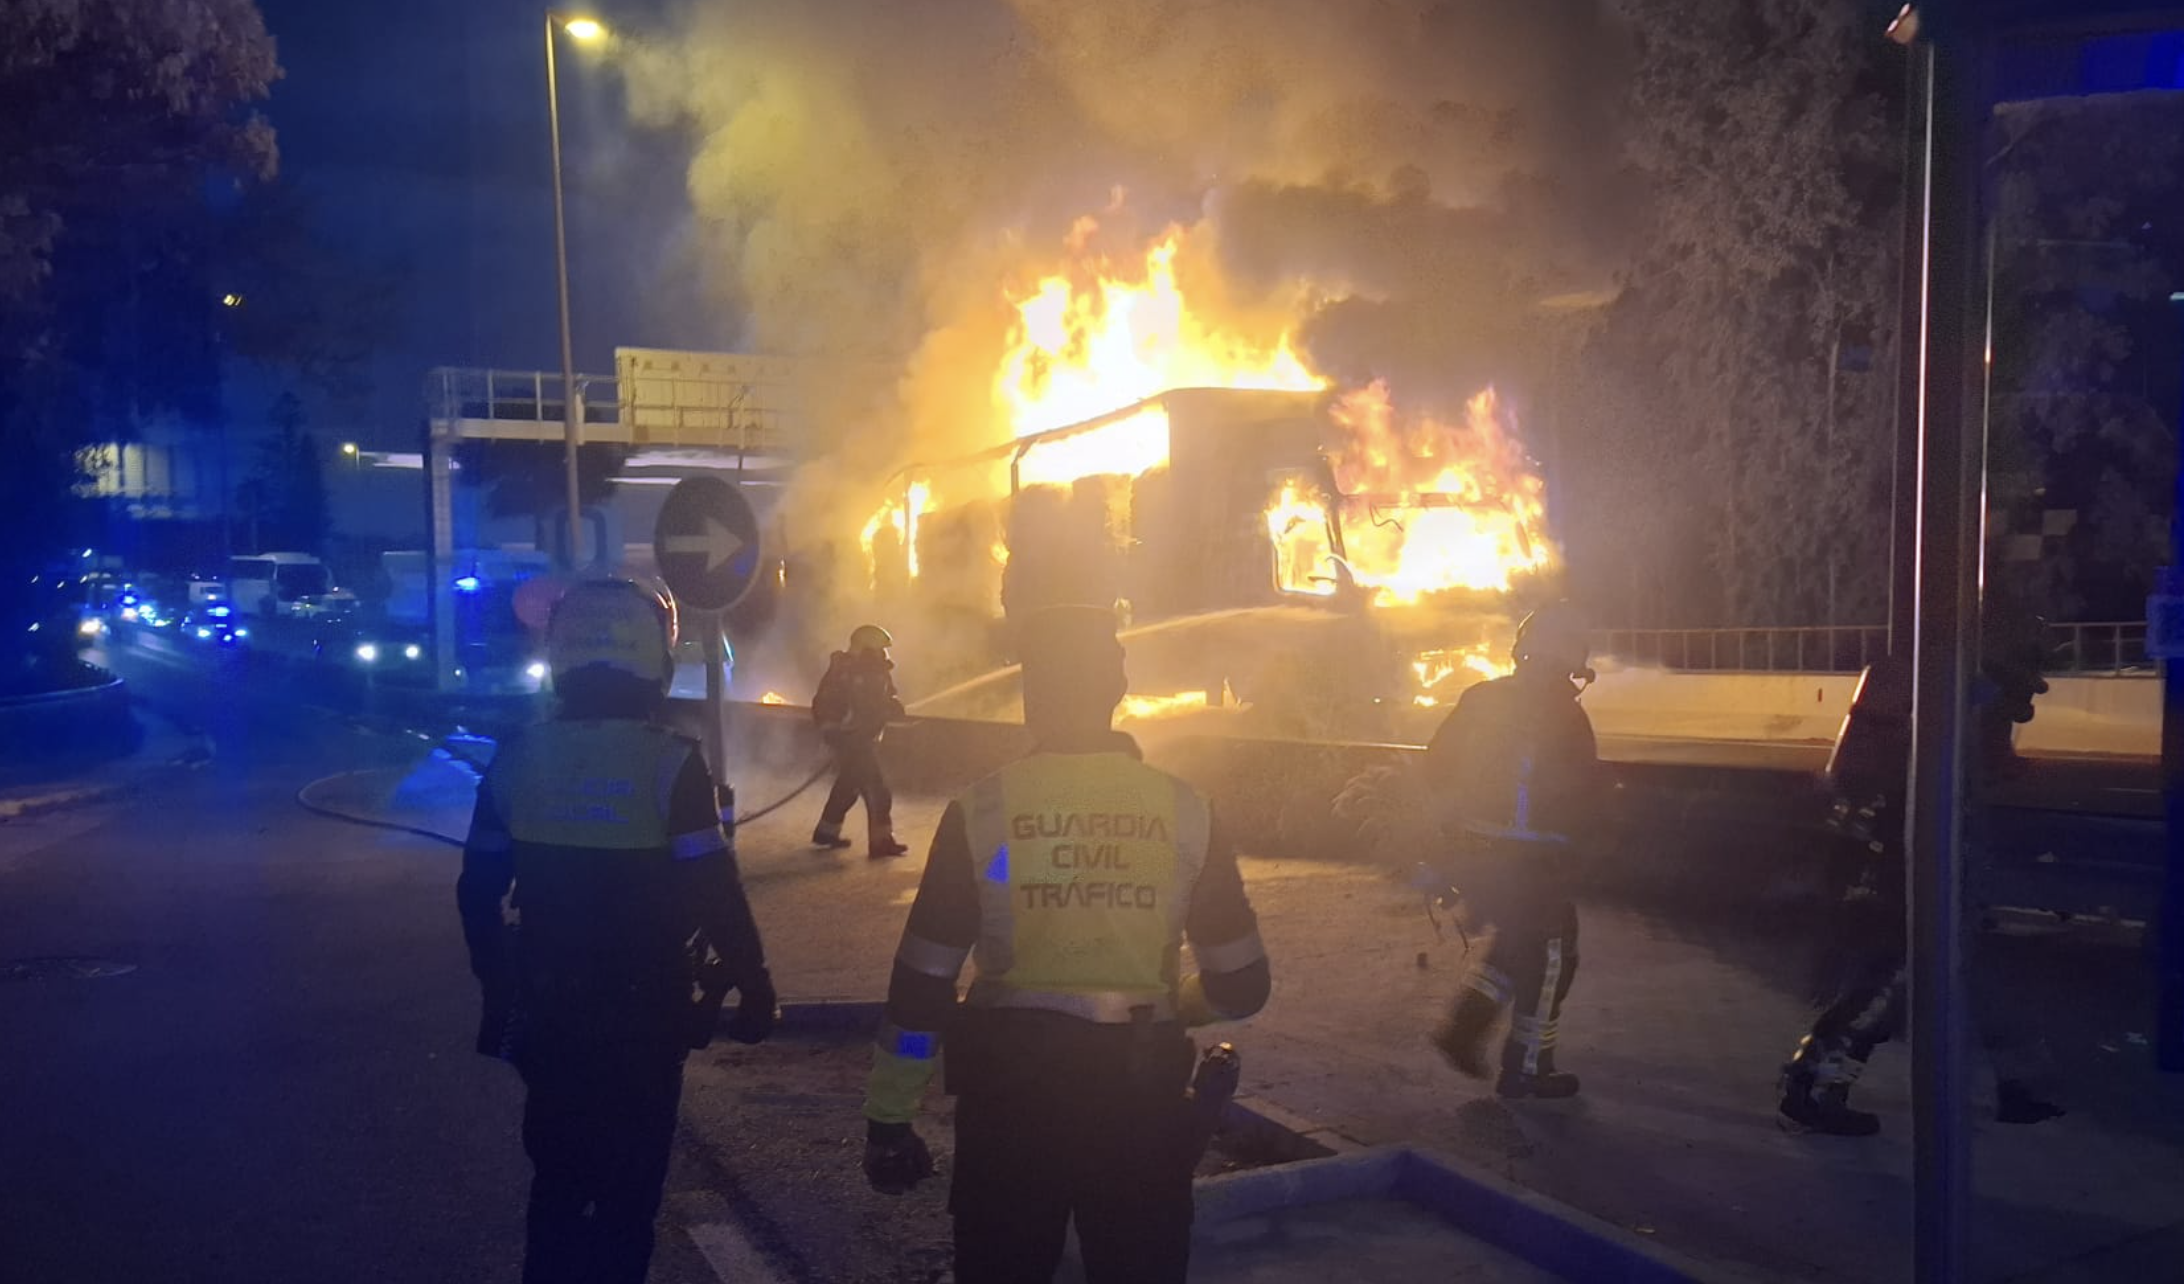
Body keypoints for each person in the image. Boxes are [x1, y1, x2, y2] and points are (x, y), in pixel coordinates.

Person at [858, 603, 1271, 1284]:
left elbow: (922, 989)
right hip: (1141, 1113)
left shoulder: (984, 812)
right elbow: (1242, 983)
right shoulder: (1186, 811)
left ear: (1032, 697)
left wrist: (889, 1117)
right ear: (1117, 690)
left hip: (1011, 1109)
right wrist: (1175, 1002)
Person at [458, 578, 777, 1284]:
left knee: (560, 1185)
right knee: (630, 1198)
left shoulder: (517, 757)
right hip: (645, 1014)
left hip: (548, 1015)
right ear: (657, 661)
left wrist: (499, 989)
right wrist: (756, 986)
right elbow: (714, 891)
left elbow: (477, 892)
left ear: (560, 657)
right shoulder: (671, 763)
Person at [1777, 655, 2065, 1135]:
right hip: (1921, 863)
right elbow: (1975, 767)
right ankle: (1812, 1084)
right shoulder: (1962, 689)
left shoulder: (1936, 685)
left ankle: (2016, 1087)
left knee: (1939, 979)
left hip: (1918, 858)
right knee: (1889, 983)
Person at [1426, 601, 1603, 1098]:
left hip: (1473, 854)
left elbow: (1436, 767)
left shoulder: (1480, 697)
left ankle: (1465, 1026)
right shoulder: (1565, 716)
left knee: (1515, 944)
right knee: (1550, 955)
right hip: (1533, 861)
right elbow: (1583, 793)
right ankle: (1528, 1069)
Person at [811, 623, 909, 857]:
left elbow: (885, 697)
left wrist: (892, 705)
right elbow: (851, 706)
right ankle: (881, 842)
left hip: (861, 737)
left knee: (848, 786)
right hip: (851, 739)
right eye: (880, 649)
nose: (884, 654)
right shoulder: (848, 673)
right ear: (866, 649)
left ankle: (826, 831)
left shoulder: (875, 671)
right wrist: (837, 731)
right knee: (878, 790)